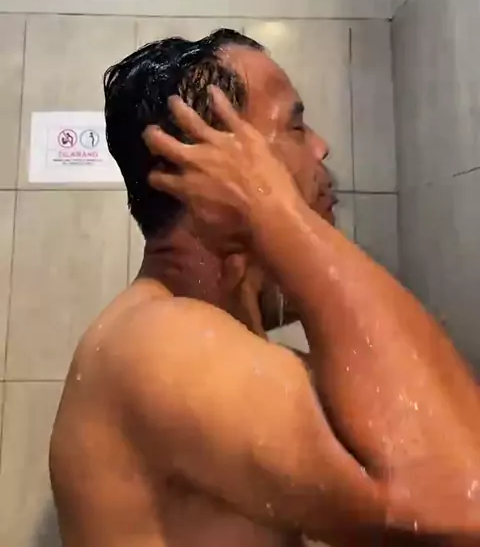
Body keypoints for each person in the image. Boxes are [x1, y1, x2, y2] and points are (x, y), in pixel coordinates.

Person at [49, 29, 480, 547]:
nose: (321, 146)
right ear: (216, 164)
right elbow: (460, 501)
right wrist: (274, 211)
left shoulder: (195, 327)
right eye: (296, 125)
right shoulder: (165, 343)